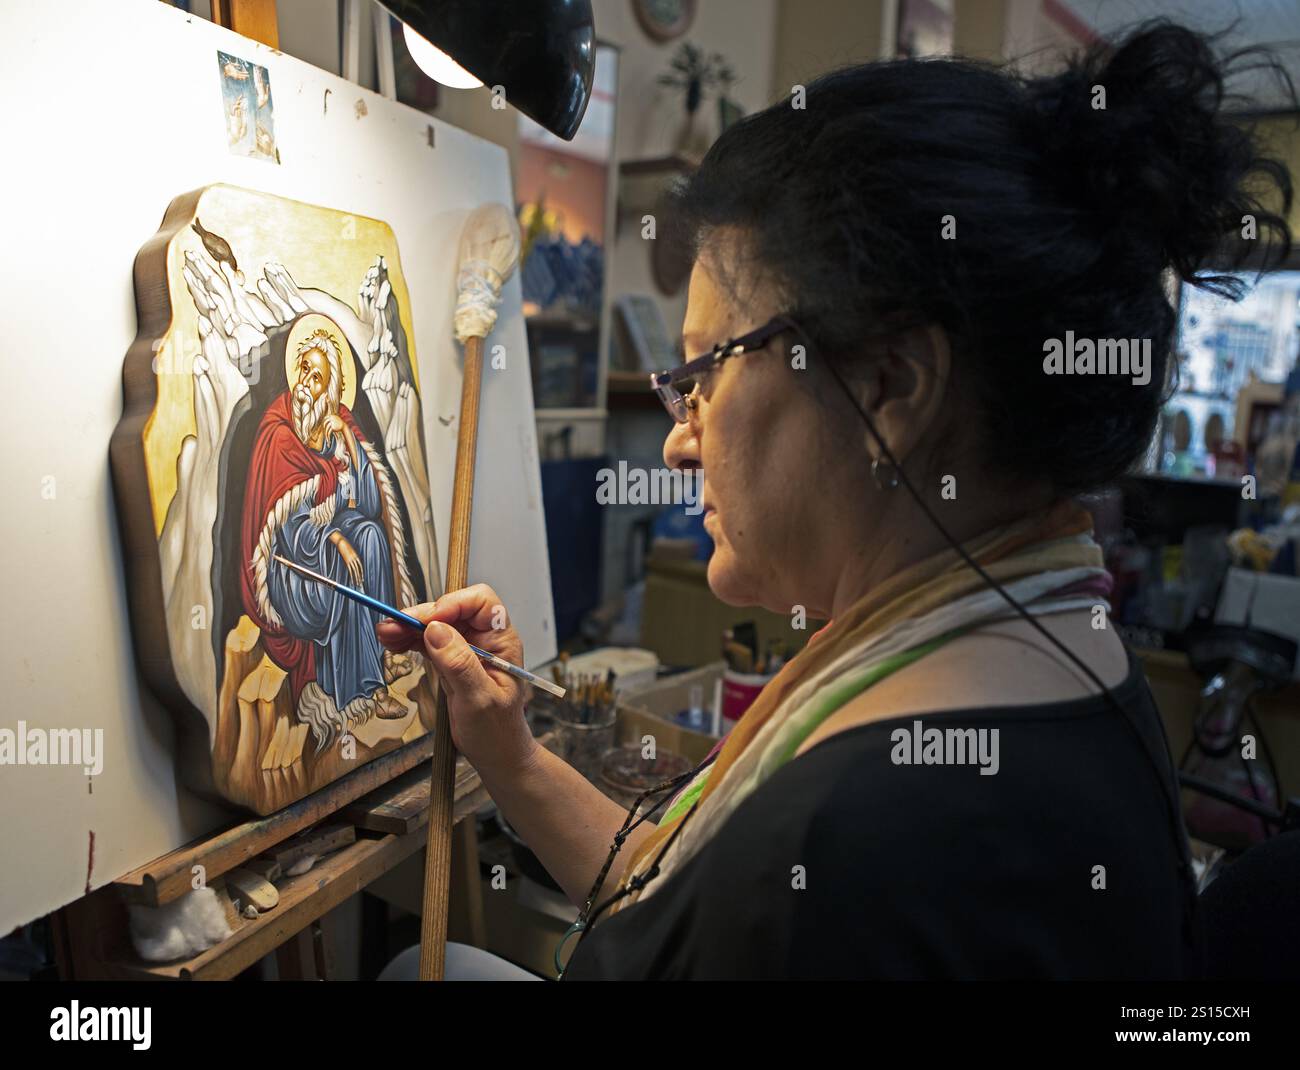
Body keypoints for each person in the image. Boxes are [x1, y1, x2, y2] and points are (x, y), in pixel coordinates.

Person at [378, 21, 1292, 979]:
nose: (681, 439)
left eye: (704, 373)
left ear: (891, 389)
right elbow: (669, 896)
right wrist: (511, 755)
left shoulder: (867, 834)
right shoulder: (1047, 637)